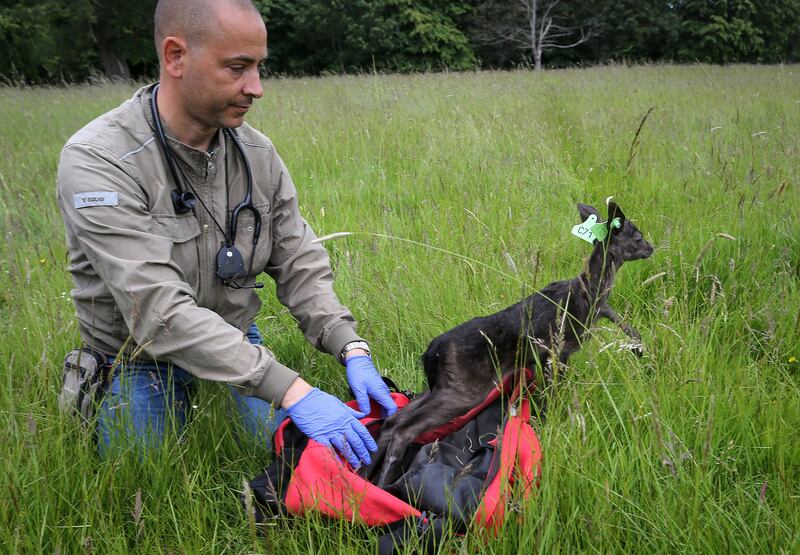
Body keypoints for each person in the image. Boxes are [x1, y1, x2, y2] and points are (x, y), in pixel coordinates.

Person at [56, 0, 396, 467]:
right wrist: (294, 391)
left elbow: (297, 257)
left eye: (259, 67)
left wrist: (348, 344)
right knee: (145, 475)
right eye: (237, 68)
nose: (256, 88)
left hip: (234, 331)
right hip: (136, 354)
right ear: (176, 56)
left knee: (282, 457)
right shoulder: (100, 160)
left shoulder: (256, 153)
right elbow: (156, 310)